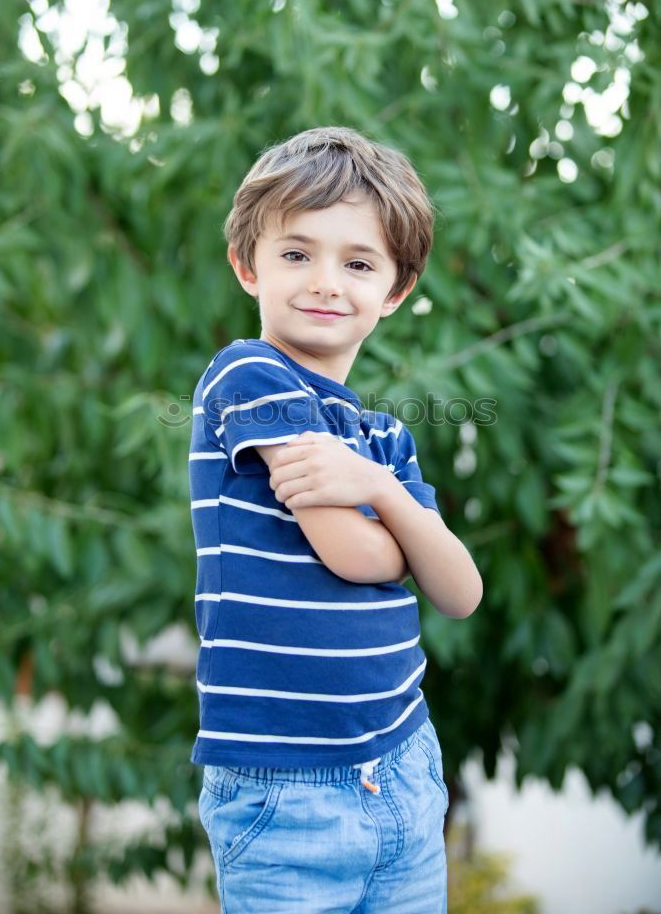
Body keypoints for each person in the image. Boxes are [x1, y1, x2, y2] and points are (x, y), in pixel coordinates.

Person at [188, 125, 483, 912]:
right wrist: (403, 535)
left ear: (394, 291)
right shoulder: (248, 374)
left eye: (357, 263)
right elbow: (354, 555)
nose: (325, 281)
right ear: (247, 266)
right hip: (287, 797)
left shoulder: (382, 440)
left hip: (404, 767)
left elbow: (458, 590)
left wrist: (379, 491)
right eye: (296, 254)